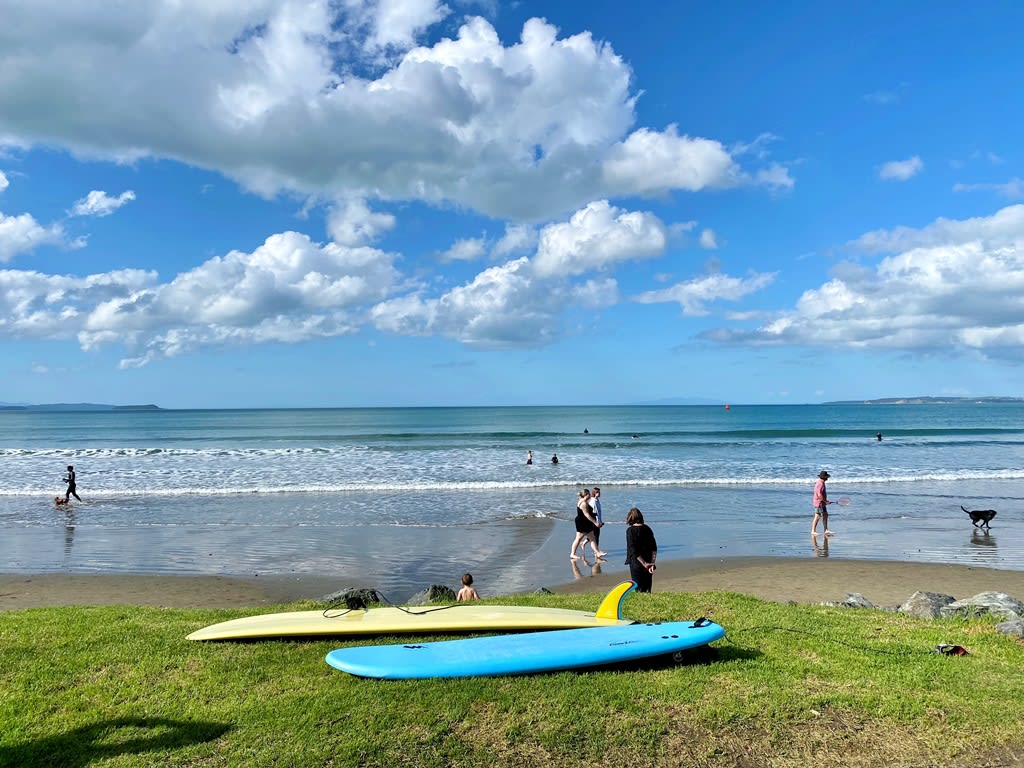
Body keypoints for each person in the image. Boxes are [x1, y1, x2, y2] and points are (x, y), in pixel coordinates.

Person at [624, 507, 657, 593]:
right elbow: (654, 547)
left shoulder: (630, 531)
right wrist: (652, 563)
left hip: (637, 562)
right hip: (648, 560)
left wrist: (645, 564)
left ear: (630, 518)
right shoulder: (647, 528)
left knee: (638, 588)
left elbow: (633, 550)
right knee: (647, 588)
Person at [570, 489, 602, 560]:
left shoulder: (582, 501)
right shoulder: (583, 503)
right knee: (578, 539)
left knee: (592, 538)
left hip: (583, 521)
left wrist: (594, 515)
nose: (590, 495)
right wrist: (595, 522)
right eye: (588, 494)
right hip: (582, 523)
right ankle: (572, 554)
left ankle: (597, 552)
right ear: (585, 495)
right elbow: (587, 515)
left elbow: (588, 514)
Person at [583, 486, 605, 558]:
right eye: (598, 492)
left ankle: (583, 543)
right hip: (594, 521)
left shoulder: (597, 500)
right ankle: (597, 552)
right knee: (596, 536)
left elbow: (599, 512)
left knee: (593, 535)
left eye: (599, 492)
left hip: (597, 521)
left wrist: (601, 521)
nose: (599, 493)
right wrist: (598, 522)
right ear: (594, 493)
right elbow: (594, 513)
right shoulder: (593, 501)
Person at [811, 470, 833, 537]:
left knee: (825, 514)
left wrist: (825, 501)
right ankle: (813, 531)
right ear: (824, 477)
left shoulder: (822, 482)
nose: (827, 478)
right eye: (827, 477)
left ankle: (826, 530)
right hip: (819, 502)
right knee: (817, 516)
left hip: (822, 502)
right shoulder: (820, 483)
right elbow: (819, 494)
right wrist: (825, 501)